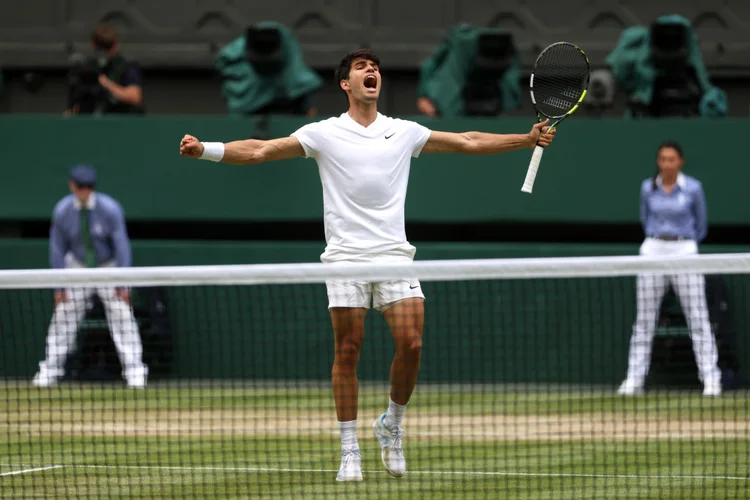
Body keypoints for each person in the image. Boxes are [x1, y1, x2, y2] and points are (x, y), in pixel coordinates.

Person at [179, 48, 555, 482]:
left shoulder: (404, 131)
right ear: (346, 84)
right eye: (361, 67)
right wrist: (206, 149)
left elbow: (468, 141)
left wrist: (524, 140)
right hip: (344, 258)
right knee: (348, 349)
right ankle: (349, 450)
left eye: (374, 67)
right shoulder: (323, 133)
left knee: (412, 343)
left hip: (395, 255)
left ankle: (391, 426)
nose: (371, 70)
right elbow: (262, 149)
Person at [617, 141, 721, 397]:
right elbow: (645, 219)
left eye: (671, 159)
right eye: (662, 159)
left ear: (680, 162)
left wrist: (683, 242)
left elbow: (701, 224)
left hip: (684, 250)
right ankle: (634, 380)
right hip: (653, 249)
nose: (666, 164)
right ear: (658, 162)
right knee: (644, 319)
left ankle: (711, 380)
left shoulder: (693, 188)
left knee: (697, 317)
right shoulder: (647, 188)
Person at [32, 165, 148, 389]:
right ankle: (50, 370)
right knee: (63, 317)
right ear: (72, 186)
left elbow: (122, 247)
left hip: (108, 267)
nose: (84, 191)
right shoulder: (62, 211)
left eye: (89, 187)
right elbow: (57, 250)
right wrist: (59, 286)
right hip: (77, 267)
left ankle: (135, 372)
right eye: (80, 187)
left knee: (123, 316)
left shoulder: (110, 209)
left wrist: (122, 283)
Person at [66, 23, 144, 115]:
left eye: (107, 46)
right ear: (93, 44)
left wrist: (106, 84)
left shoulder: (126, 66)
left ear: (115, 44)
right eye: (100, 46)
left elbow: (135, 97)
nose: (103, 51)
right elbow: (75, 105)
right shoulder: (86, 68)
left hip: (120, 119)